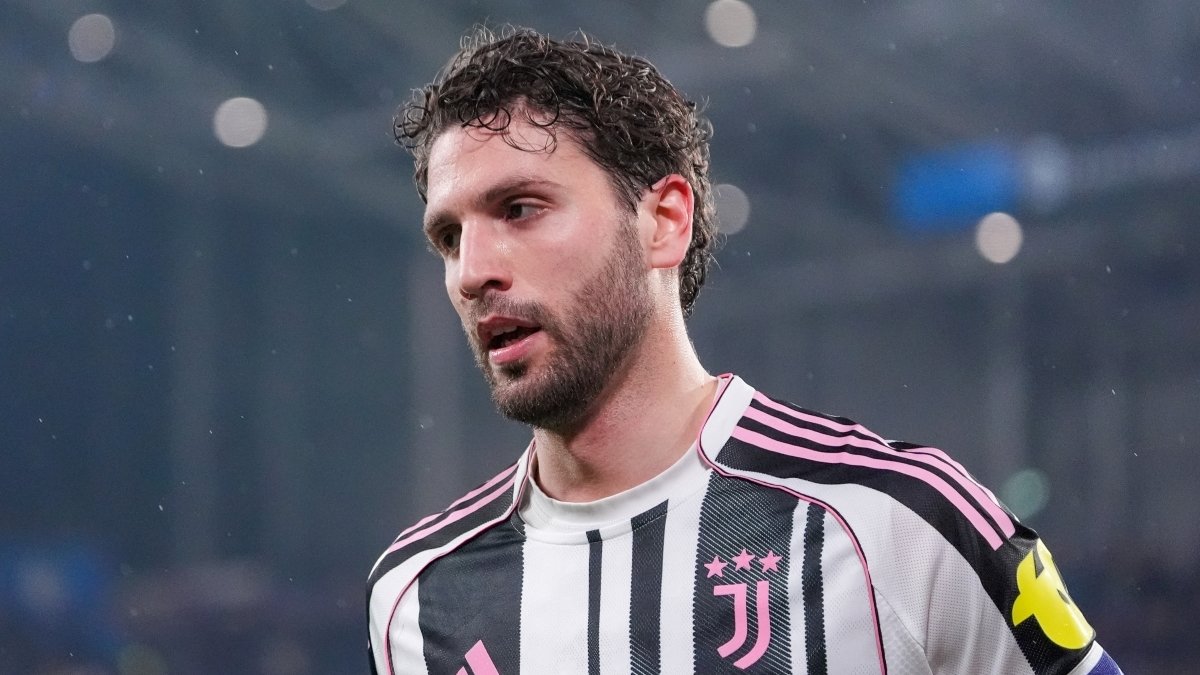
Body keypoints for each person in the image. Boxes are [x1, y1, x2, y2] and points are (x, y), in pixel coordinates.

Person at [366, 26, 1122, 675]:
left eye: (521, 208)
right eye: (449, 236)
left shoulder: (897, 524)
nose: (471, 272)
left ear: (664, 221)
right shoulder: (415, 598)